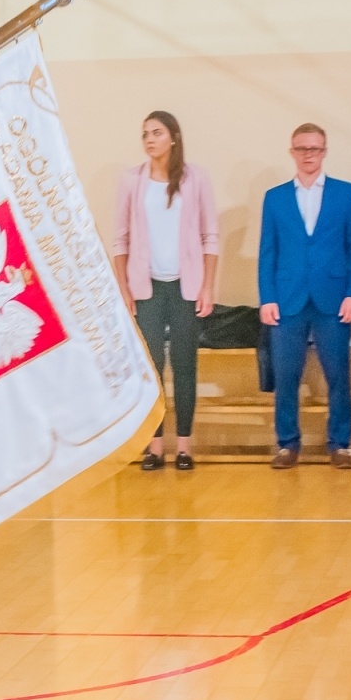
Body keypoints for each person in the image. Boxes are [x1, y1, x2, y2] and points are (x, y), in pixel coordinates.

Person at [110, 111, 220, 471]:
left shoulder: (196, 178)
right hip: (147, 287)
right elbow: (121, 239)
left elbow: (210, 236)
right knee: (151, 367)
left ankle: (184, 446)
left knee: (185, 365)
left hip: (185, 286)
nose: (149, 140)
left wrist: (207, 286)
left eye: (156, 133)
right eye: (145, 134)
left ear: (173, 137)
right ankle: (154, 446)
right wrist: (125, 288)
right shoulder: (132, 181)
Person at [258, 123, 351, 469]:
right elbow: (268, 252)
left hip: (333, 300)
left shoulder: (346, 194)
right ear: (292, 152)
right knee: (286, 377)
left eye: (315, 149)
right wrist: (267, 297)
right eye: (302, 149)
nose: (309, 155)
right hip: (287, 300)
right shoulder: (274, 197)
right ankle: (287, 444)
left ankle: (341, 444)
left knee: (338, 375)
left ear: (324, 151)